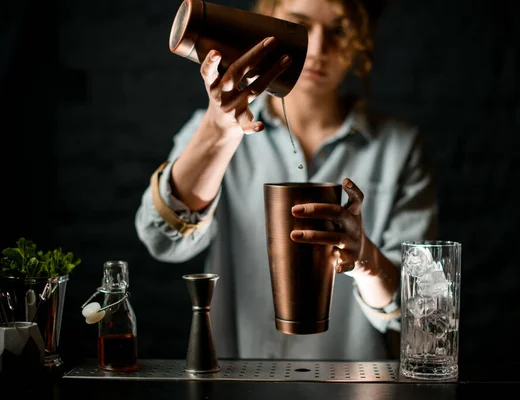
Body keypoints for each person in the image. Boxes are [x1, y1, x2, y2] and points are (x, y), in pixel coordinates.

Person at [135, 0, 437, 360]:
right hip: (239, 383)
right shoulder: (211, 129)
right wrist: (218, 132)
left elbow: (422, 312)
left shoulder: (397, 148)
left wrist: (366, 259)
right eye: (300, 26)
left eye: (339, 30)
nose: (319, 48)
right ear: (267, 21)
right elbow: (160, 239)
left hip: (354, 384)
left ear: (362, 43)